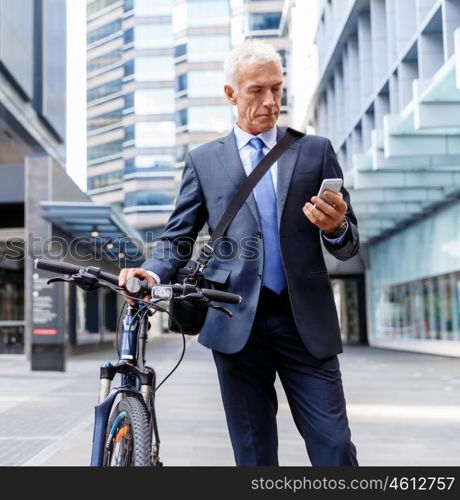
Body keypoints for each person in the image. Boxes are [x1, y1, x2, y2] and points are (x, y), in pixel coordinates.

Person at [118, 41, 359, 466]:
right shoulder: (204, 161)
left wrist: (336, 227)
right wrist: (152, 273)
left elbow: (349, 239)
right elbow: (178, 237)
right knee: (253, 455)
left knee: (335, 448)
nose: (270, 101)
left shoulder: (314, 150)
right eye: (256, 90)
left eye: (277, 89)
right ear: (231, 94)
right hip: (234, 323)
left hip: (306, 323)